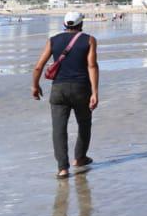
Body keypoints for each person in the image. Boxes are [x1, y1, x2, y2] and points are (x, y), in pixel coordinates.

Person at [31, 11, 100, 179]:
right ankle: (80, 158)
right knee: (84, 124)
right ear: (81, 24)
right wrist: (95, 92)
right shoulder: (89, 40)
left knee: (59, 128)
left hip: (59, 90)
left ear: (64, 24)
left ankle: (62, 168)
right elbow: (92, 66)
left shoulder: (53, 40)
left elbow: (39, 66)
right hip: (81, 89)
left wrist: (35, 85)